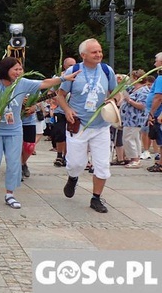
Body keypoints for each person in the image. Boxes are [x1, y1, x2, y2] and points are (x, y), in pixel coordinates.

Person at [0, 57, 78, 209]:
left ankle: (10, 194)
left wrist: (64, 78)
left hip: (14, 130)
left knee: (14, 163)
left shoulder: (23, 83)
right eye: (15, 69)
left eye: (20, 69)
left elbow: (44, 83)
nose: (19, 72)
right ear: (6, 69)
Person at [56, 38, 117, 213]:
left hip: (101, 126)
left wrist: (113, 100)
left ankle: (96, 198)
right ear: (83, 55)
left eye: (99, 51)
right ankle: (73, 177)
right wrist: (67, 110)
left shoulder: (107, 70)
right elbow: (60, 95)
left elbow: (117, 93)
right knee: (76, 163)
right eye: (94, 52)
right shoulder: (74, 71)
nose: (98, 55)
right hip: (79, 125)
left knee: (102, 166)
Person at [120, 69, 149, 168]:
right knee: (134, 138)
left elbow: (142, 105)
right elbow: (123, 88)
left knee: (128, 138)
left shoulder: (144, 91)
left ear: (136, 78)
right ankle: (136, 157)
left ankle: (134, 159)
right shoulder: (133, 89)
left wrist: (129, 101)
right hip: (129, 118)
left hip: (135, 118)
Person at [52, 57, 77, 167]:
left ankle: (67, 157)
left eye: (74, 65)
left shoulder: (79, 77)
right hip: (60, 111)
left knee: (70, 135)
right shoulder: (58, 78)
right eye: (70, 65)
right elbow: (51, 93)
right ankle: (59, 155)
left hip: (73, 111)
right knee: (60, 134)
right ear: (64, 66)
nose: (72, 67)